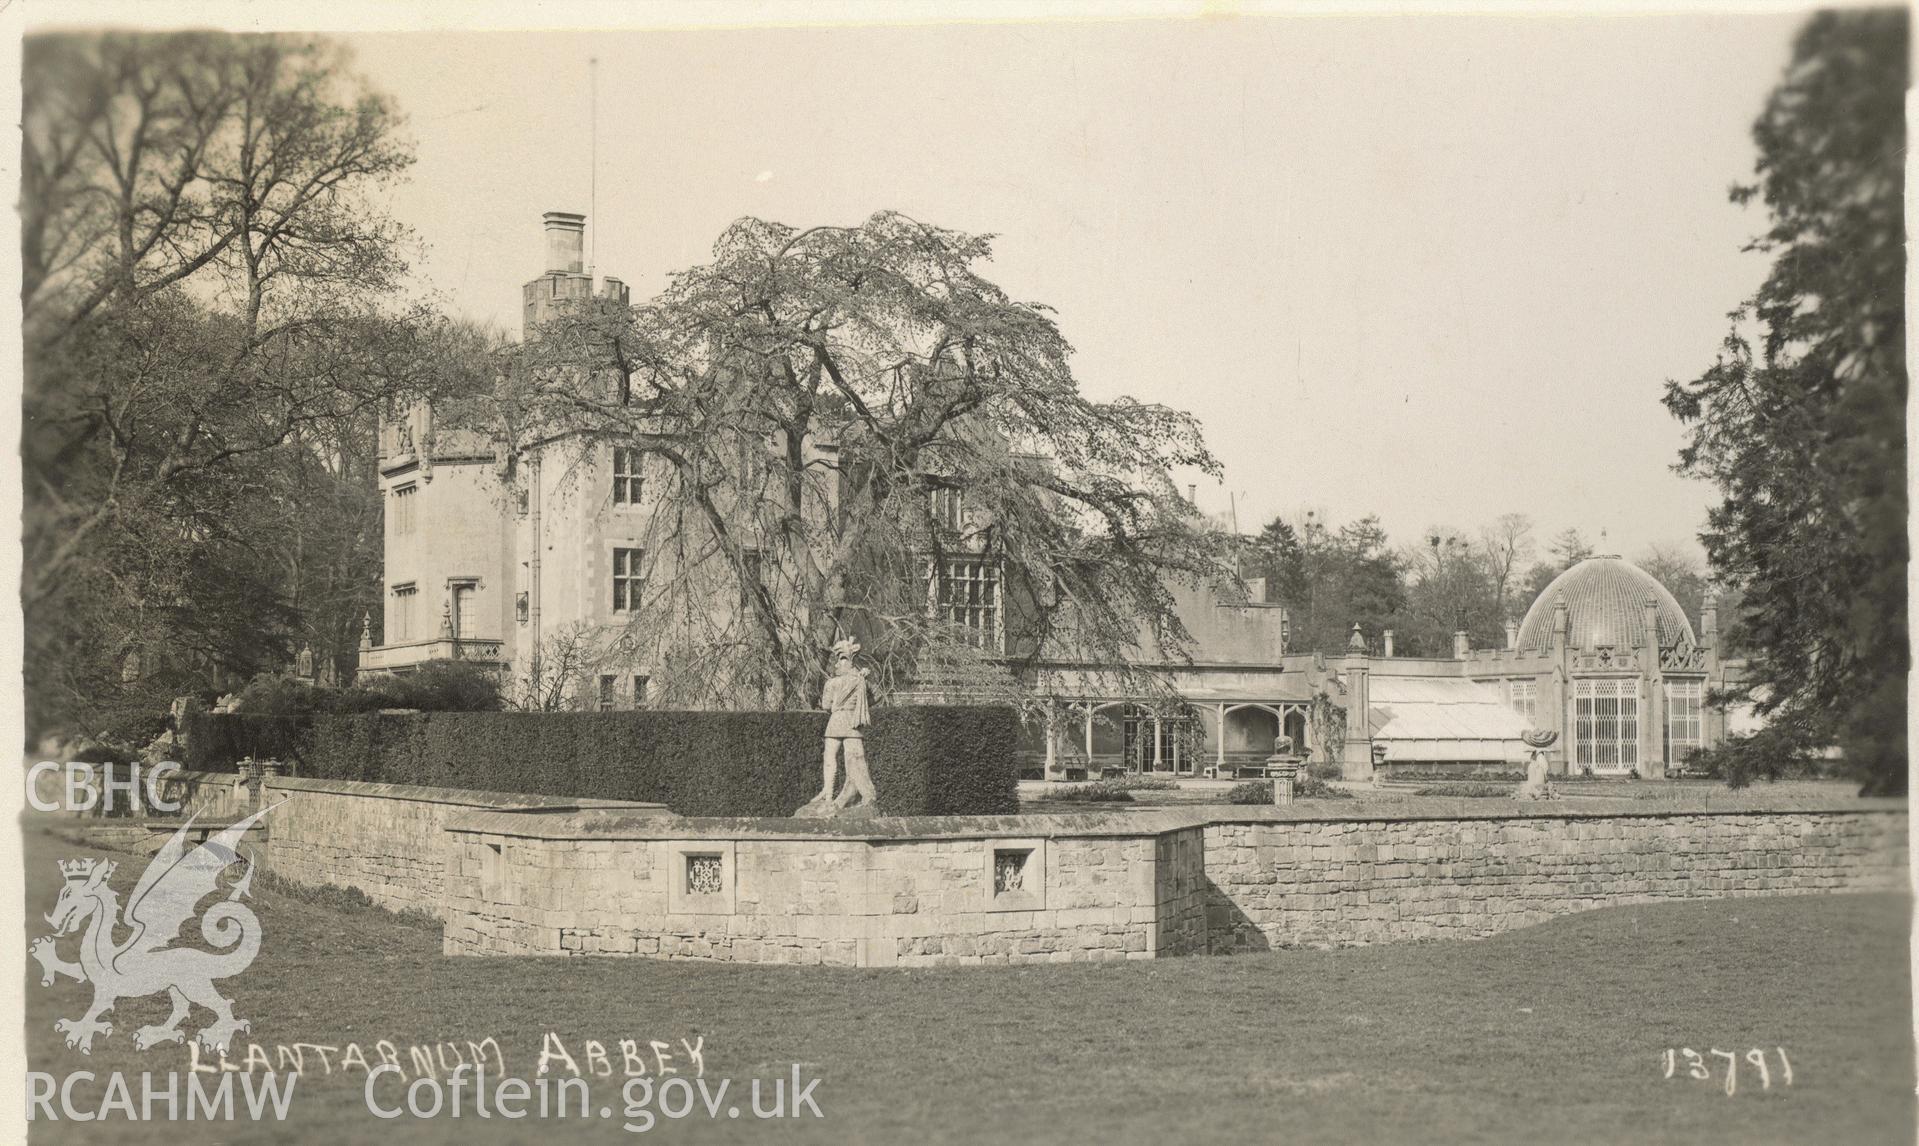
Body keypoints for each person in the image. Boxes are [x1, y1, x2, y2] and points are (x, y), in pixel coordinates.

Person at [802, 638, 876, 815]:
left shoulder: (832, 683)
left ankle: (828, 794)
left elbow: (826, 705)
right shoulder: (861, 681)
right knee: (854, 759)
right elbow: (873, 699)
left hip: (836, 721)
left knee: (830, 757)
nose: (837, 664)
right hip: (853, 722)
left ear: (846, 662)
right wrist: (865, 680)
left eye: (839, 660)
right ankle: (848, 794)